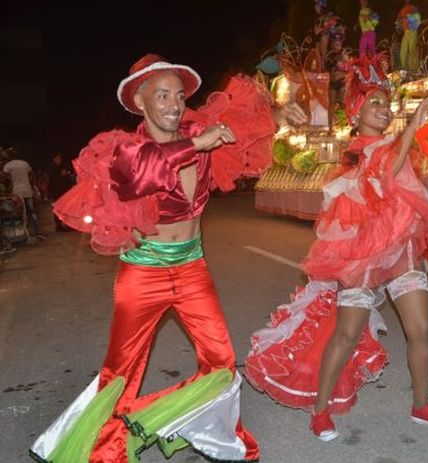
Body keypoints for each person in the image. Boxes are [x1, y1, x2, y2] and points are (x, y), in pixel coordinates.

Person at [30, 53, 306, 463]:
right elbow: (140, 173)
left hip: (192, 268)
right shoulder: (126, 148)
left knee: (222, 363)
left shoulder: (201, 132)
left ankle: (216, 439)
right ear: (140, 103)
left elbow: (246, 132)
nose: (173, 104)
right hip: (143, 273)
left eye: (178, 95)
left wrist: (283, 115)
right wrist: (196, 143)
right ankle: (108, 448)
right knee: (121, 371)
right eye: (161, 95)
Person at [245, 54, 428, 443]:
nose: (384, 109)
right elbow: (385, 171)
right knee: (345, 335)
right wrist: (416, 121)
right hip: (362, 253)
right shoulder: (367, 152)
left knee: (422, 331)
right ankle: (321, 411)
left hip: (401, 251)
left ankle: (422, 405)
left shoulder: (398, 148)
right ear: (357, 114)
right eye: (374, 103)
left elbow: (411, 191)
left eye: (386, 103)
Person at [2, 147, 44, 240]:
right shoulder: (25, 163)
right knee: (32, 212)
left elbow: (4, 177)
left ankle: (26, 234)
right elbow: (32, 175)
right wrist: (33, 186)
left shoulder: (8, 165)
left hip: (17, 192)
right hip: (27, 190)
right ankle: (37, 232)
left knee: (22, 213)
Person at [47, 152, 75, 231]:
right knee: (58, 209)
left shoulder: (62, 166)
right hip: (57, 192)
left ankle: (66, 225)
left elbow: (67, 177)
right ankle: (59, 226)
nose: (59, 160)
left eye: (60, 158)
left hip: (63, 191)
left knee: (66, 209)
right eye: (58, 158)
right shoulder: (52, 168)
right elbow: (52, 181)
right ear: (54, 159)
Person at [396, 0, 422, 71]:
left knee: (412, 50)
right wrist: (399, 25)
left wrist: (407, 18)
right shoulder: (402, 9)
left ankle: (413, 69)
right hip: (406, 32)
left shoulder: (413, 8)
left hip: (412, 30)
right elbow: (399, 21)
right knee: (403, 50)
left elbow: (418, 20)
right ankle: (404, 68)